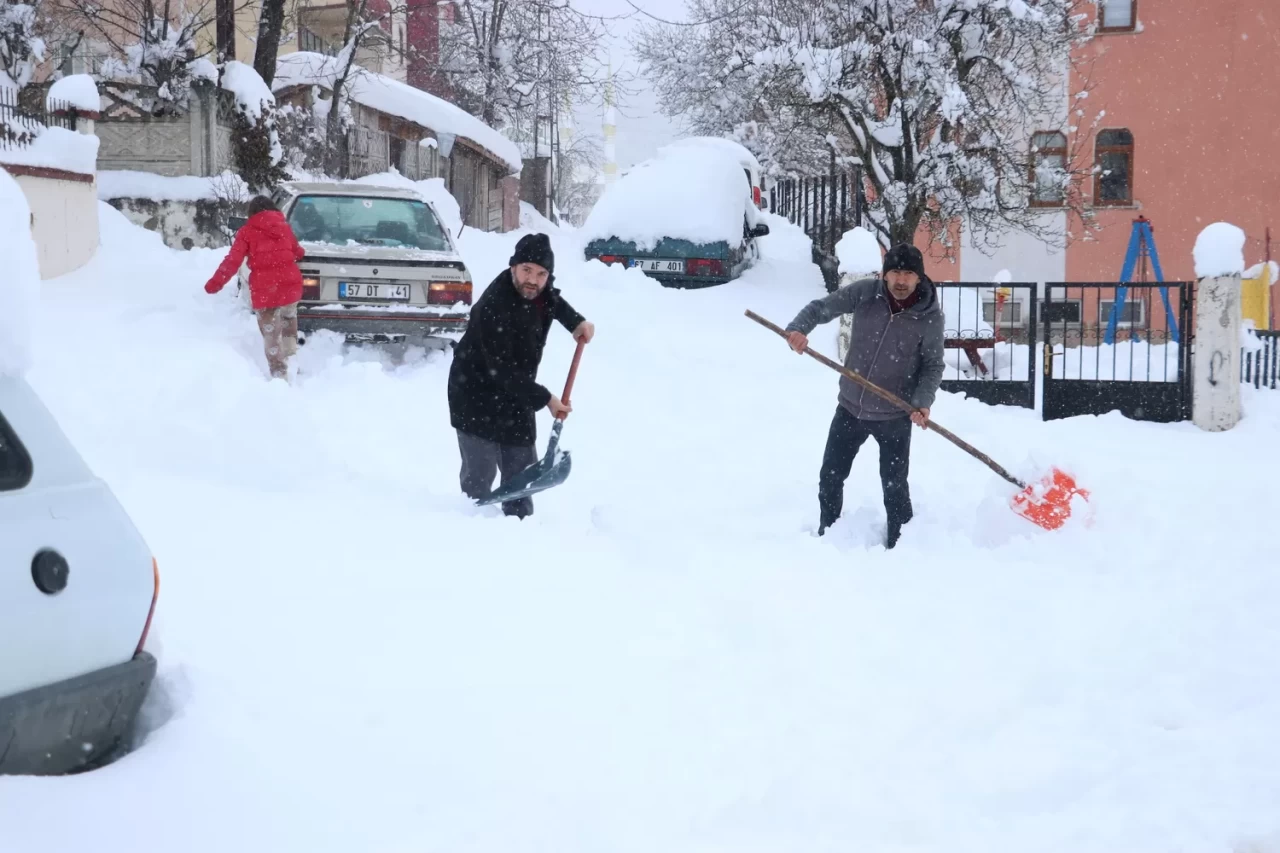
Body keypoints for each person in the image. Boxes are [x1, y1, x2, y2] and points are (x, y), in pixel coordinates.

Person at [783, 242, 945, 549]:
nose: (901, 280)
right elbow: (820, 308)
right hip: (850, 408)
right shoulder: (866, 293)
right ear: (884, 274)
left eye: (908, 274)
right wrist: (797, 330)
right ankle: (828, 535)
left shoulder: (929, 318)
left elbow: (933, 365)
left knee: (895, 488)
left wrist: (923, 402)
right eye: (895, 272)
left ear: (919, 277)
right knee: (831, 478)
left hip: (895, 416)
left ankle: (901, 546)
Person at [447, 233, 595, 518]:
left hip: (516, 393)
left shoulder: (540, 293)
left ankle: (520, 525)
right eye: (527, 270)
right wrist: (547, 399)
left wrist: (576, 322)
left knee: (522, 470)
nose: (533, 280)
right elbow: (501, 371)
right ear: (513, 266)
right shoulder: (493, 306)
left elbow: (553, 301)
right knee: (480, 475)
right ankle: (471, 526)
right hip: (475, 394)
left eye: (541, 274)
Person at [204, 195, 306, 381]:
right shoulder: (284, 227)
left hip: (266, 289)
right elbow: (298, 252)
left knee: (271, 333)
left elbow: (232, 261)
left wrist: (215, 283)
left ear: (251, 212)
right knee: (288, 318)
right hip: (290, 285)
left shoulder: (247, 232)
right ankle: (291, 357)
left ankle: (279, 374)